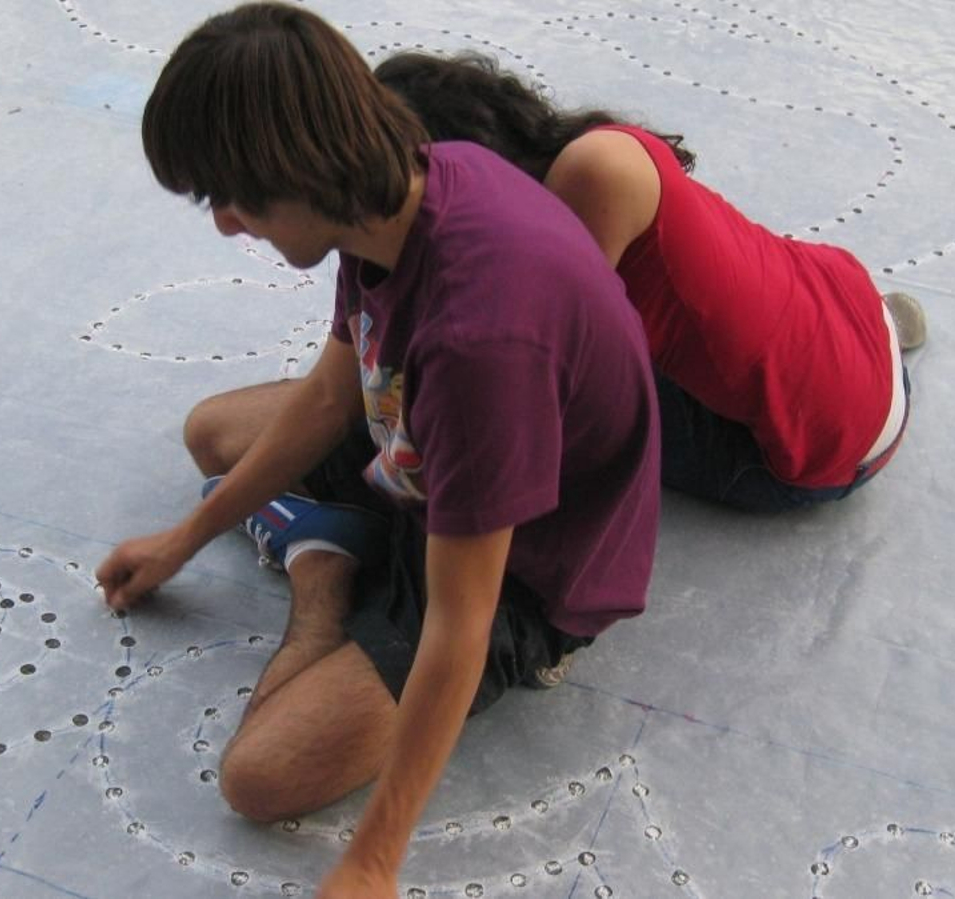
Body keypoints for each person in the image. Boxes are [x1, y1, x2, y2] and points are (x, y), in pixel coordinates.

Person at [93, 3, 660, 895]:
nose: (226, 226)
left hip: (528, 565)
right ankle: (333, 540)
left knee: (260, 777)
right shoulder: (416, 183)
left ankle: (323, 570)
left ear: (299, 170)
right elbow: (331, 389)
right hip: (423, 439)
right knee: (214, 435)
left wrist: (373, 858)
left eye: (231, 199)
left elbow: (461, 619)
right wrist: (184, 540)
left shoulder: (482, 340)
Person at [376, 52, 927, 513]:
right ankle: (876, 354)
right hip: (855, 317)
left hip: (818, 456)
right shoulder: (597, 146)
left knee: (533, 395)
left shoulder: (579, 192)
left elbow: (524, 394)